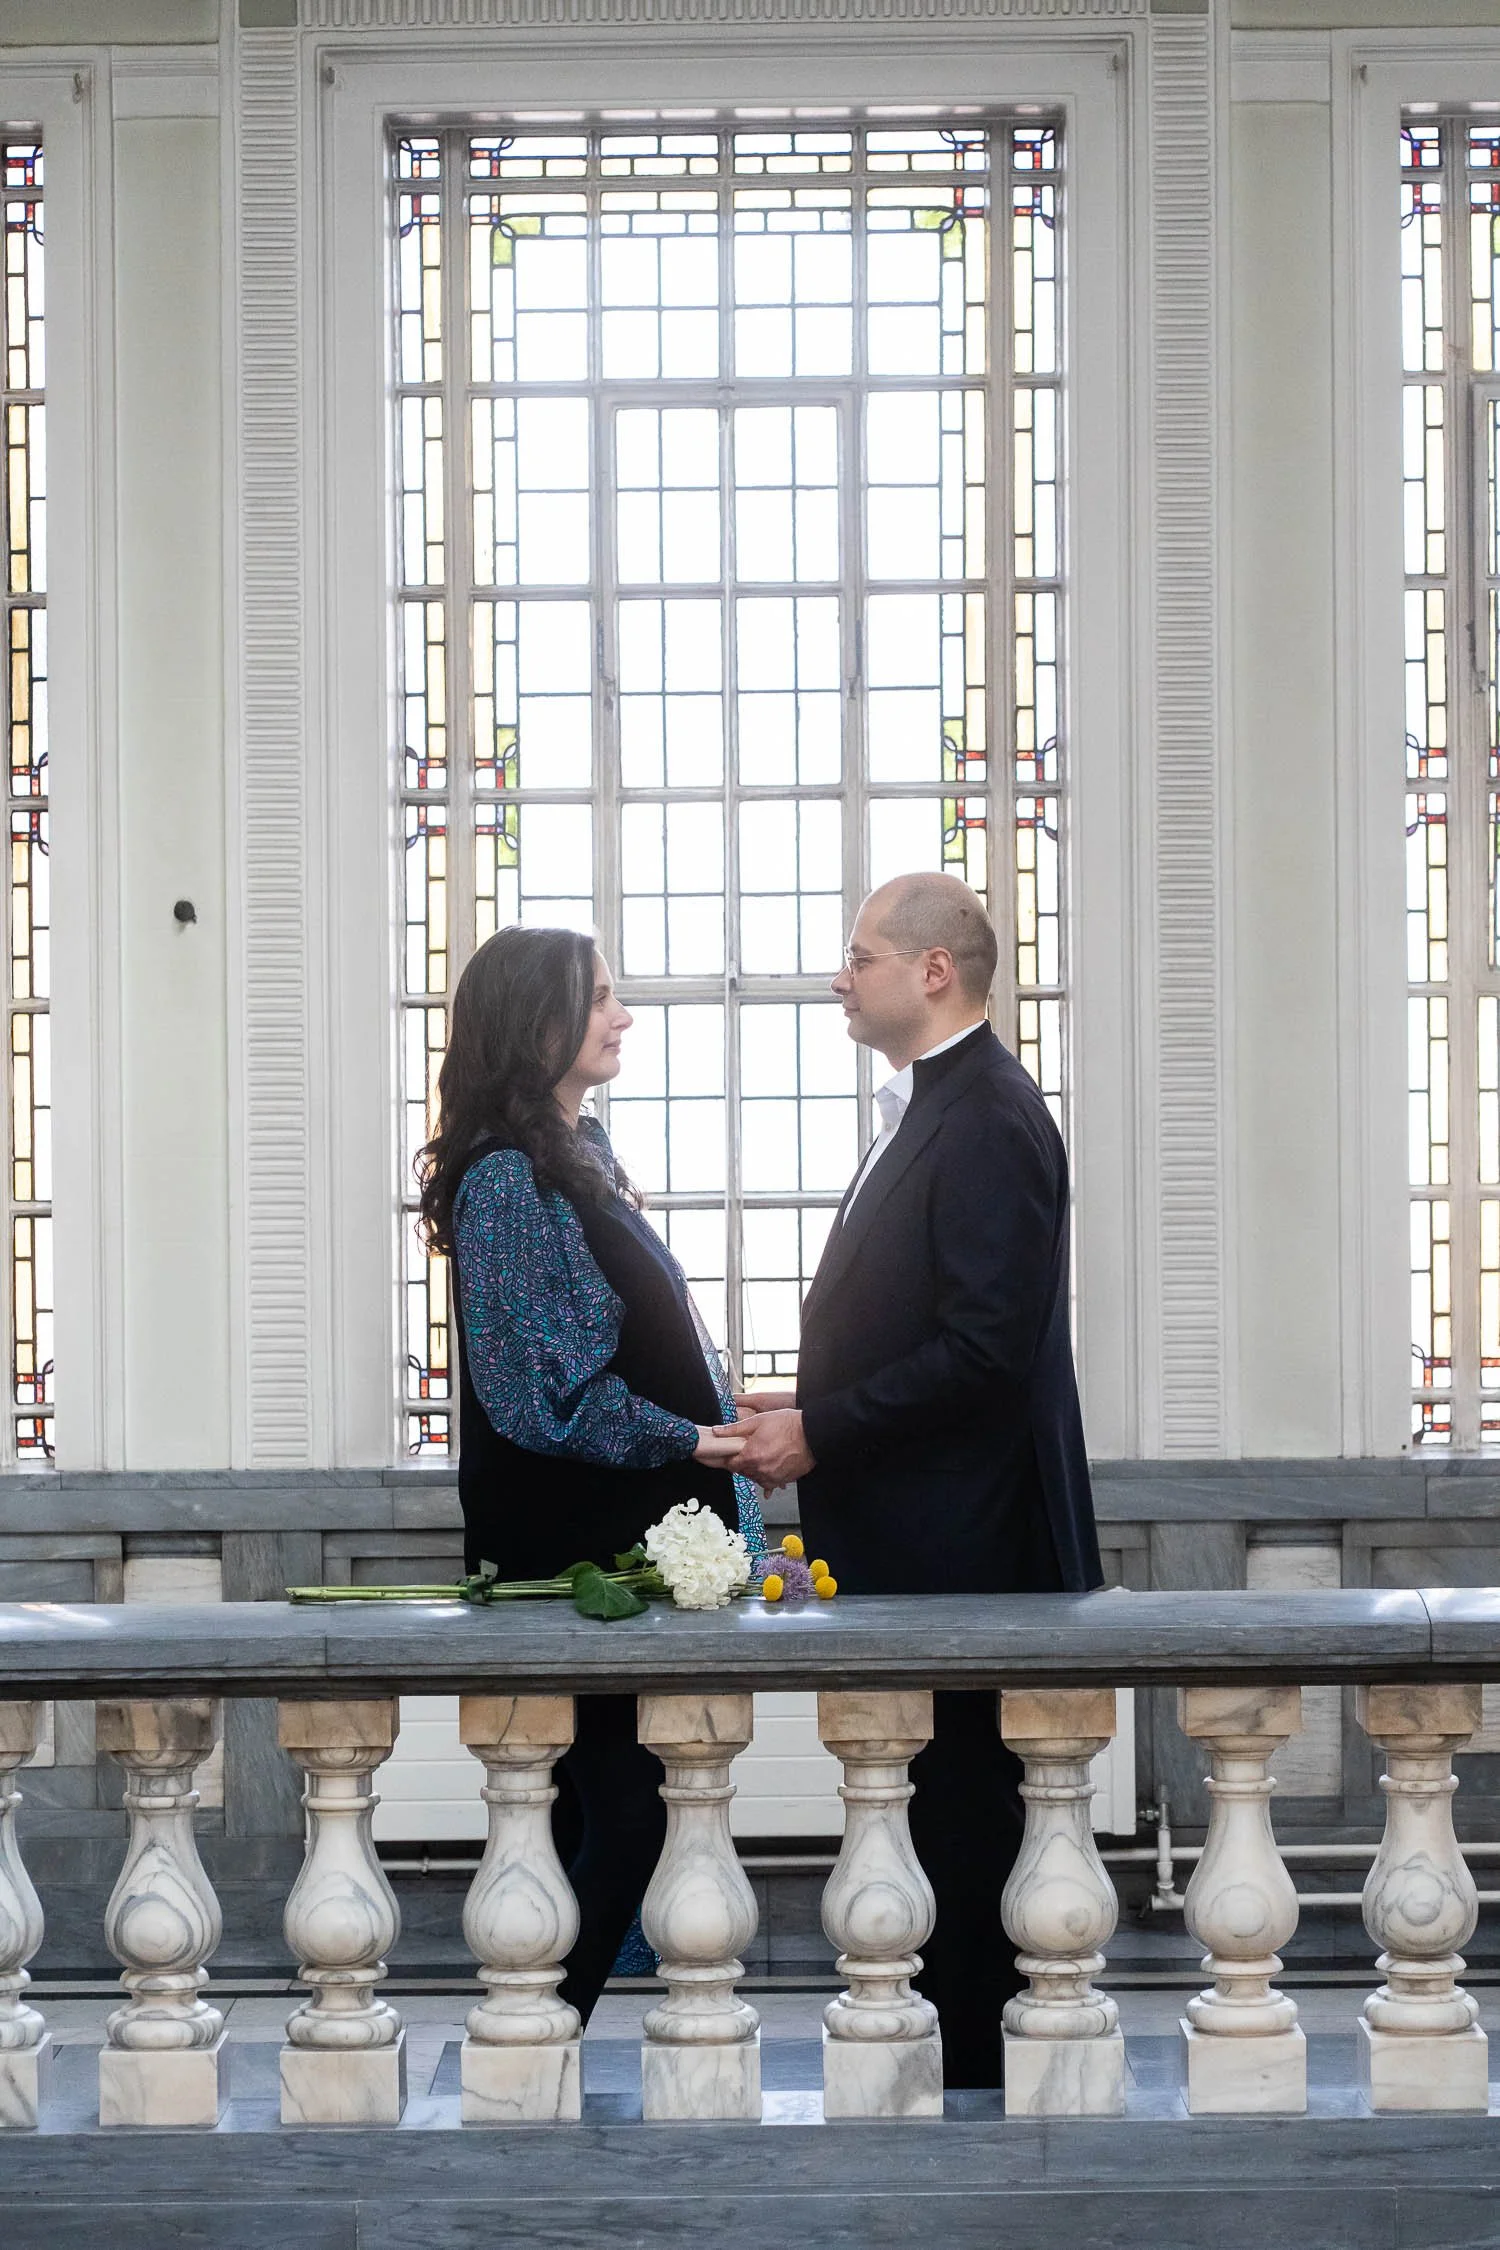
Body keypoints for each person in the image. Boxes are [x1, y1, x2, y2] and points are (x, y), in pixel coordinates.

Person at [721, 870, 1103, 2089]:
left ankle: (984, 2104)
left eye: (861, 956)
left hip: (968, 1554)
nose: (840, 977)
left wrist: (822, 1431)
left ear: (934, 971)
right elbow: (923, 1323)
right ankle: (961, 2085)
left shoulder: (985, 1115)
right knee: (933, 1829)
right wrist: (802, 1401)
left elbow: (986, 1353)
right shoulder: (939, 1105)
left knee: (966, 1835)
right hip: (931, 1540)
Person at [417, 924, 752, 2027]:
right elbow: (541, 1393)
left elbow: (639, 1339)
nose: (623, 1016)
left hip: (615, 1540)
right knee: (618, 1814)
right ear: (537, 1023)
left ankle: (536, 2042)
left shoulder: (575, 1155)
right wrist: (690, 1439)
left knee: (612, 1812)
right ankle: (532, 2039)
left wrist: (719, 1413)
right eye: (599, 998)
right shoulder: (507, 1180)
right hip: (574, 1554)